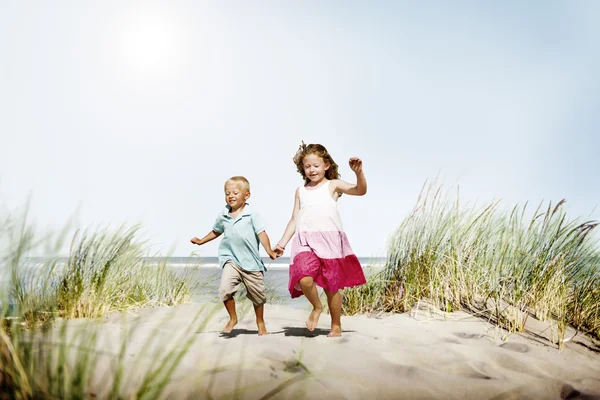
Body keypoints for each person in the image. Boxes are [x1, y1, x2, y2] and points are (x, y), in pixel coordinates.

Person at [274, 142, 367, 337]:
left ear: (326, 165)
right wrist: (282, 243)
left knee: (332, 286)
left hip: (330, 242)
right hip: (304, 242)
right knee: (304, 277)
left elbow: (360, 190)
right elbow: (294, 219)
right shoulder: (300, 191)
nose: (311, 170)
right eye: (307, 166)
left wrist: (359, 173)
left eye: (316, 165)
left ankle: (336, 325)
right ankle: (317, 307)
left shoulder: (333, 185)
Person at [191, 176, 277, 336]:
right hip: (230, 260)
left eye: (235, 193)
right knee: (224, 290)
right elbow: (217, 230)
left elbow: (262, 234)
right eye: (227, 193)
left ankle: (260, 321)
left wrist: (270, 251)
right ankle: (232, 318)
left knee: (257, 297)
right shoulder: (223, 214)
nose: (230, 196)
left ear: (246, 195)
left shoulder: (252, 214)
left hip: (251, 263)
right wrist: (201, 241)